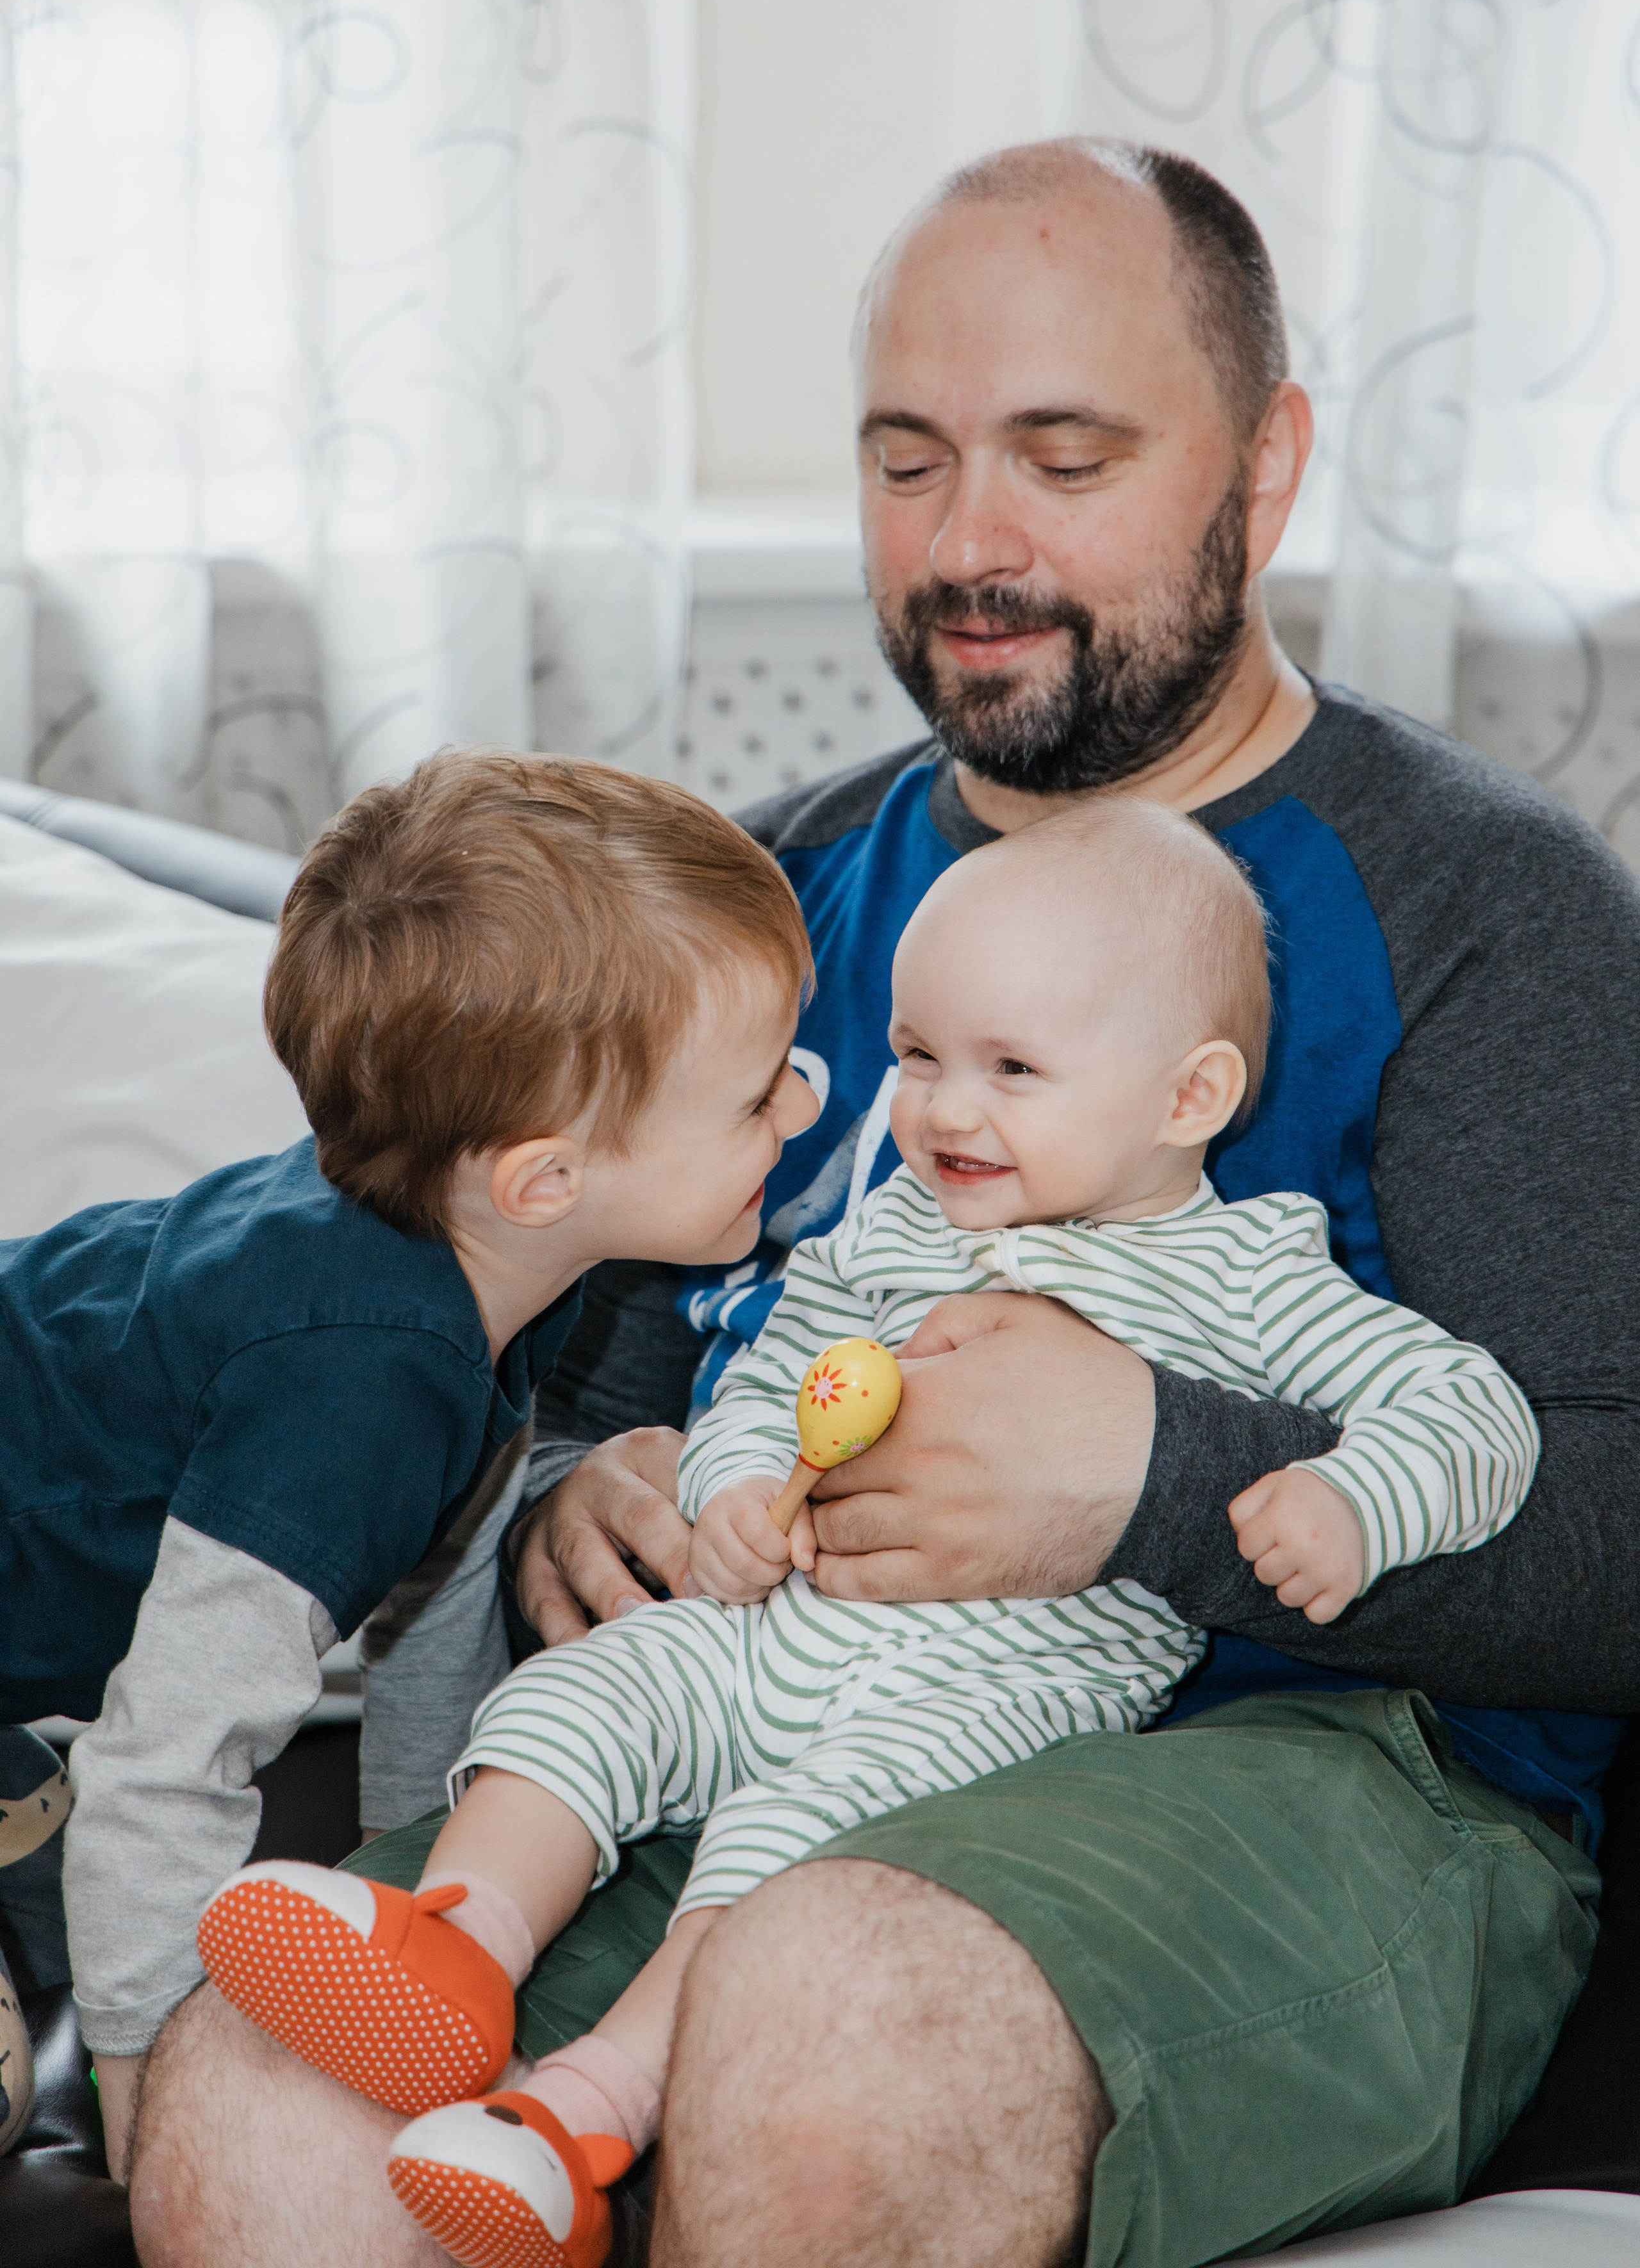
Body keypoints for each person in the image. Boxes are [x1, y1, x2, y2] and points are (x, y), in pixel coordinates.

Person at [131, 140, 1640, 2268]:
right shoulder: (748, 901)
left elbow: (1615, 1522)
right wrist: (592, 1493)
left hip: (1323, 1769)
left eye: (1064, 455)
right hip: (768, 1695)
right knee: (255, 2105)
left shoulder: (1488, 907)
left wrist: (1150, 1477)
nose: (972, 541)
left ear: (1265, 467)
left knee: (826, 2022)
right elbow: (577, 1379)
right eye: (907, 460)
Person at [191, 799, 1545, 2268]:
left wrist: (1347, 1501)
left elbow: (1466, 1408)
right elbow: (770, 1369)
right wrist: (722, 1491)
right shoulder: (895, 1226)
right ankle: (463, 1937)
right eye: (915, 1057)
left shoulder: (1245, 1273)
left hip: (987, 1697)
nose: (941, 1112)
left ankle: (577, 2111)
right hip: (776, 1624)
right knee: (580, 1698)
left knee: (787, 1865)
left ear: (1187, 1096)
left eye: (1010, 1070)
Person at [0, 746, 816, 2178]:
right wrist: (148, 2131)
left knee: (75, 1888)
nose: (804, 1107)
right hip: (99, 1733)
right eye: (756, 1097)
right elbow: (173, 1759)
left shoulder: (500, 1268)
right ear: (546, 1177)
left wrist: (418, 1897)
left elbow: (432, 1589)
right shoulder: (352, 1380)